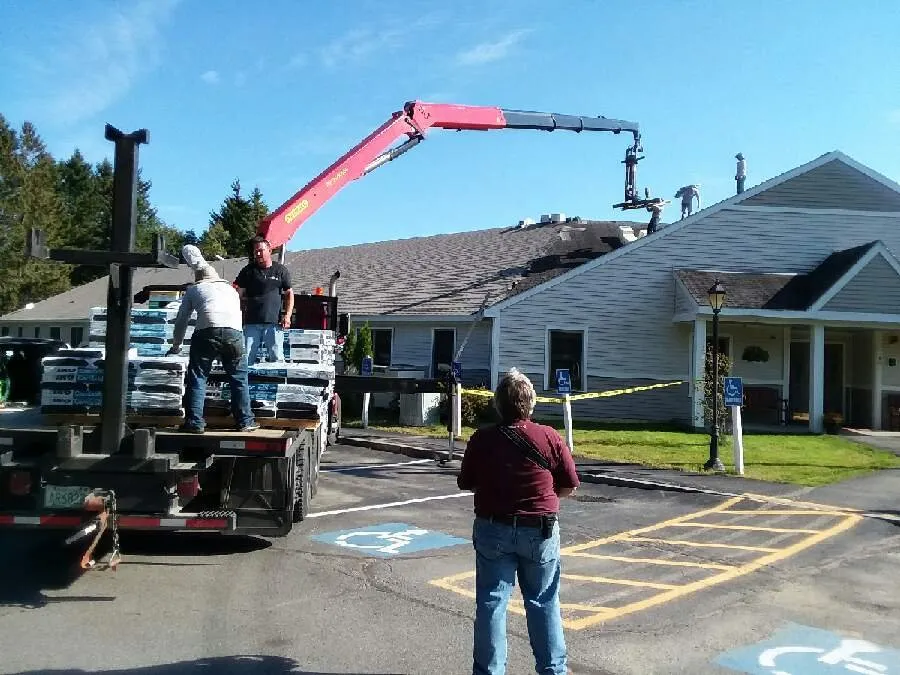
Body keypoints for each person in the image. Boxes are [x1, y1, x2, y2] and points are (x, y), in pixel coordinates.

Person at [457, 368, 580, 675]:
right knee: (543, 602)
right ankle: (553, 670)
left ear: (498, 404)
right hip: (540, 530)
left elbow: (466, 482)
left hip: (493, 528)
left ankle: (489, 671)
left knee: (491, 603)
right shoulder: (549, 437)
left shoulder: (482, 439)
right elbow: (569, 484)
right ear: (531, 404)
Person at [169, 245, 258, 434]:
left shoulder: (195, 290)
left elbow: (181, 320)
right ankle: (245, 421)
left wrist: (176, 346)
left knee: (199, 377)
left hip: (207, 332)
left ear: (197, 278)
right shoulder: (230, 291)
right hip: (235, 333)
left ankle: (195, 423)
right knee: (239, 378)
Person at [234, 236, 294, 365]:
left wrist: (287, 316)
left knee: (277, 358)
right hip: (251, 323)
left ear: (269, 251)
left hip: (274, 323)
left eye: (261, 250)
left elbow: (289, 293)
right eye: (256, 251)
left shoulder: (280, 270)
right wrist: (237, 315)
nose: (258, 253)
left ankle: (275, 382)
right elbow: (238, 295)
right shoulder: (248, 271)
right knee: (245, 358)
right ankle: (246, 384)